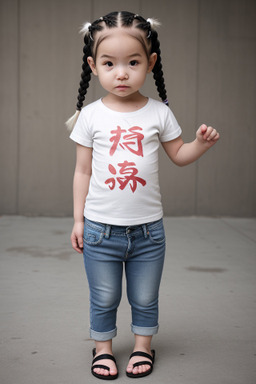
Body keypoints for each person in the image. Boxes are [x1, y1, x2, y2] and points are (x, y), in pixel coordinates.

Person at [67, 11, 219, 380]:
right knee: (103, 297)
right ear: (93, 65)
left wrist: (198, 144)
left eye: (132, 62)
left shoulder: (158, 113)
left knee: (145, 297)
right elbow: (82, 171)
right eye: (109, 63)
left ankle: (142, 347)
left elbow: (179, 156)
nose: (121, 73)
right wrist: (77, 220)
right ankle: (103, 349)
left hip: (148, 232)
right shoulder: (90, 116)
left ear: (150, 63)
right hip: (101, 230)